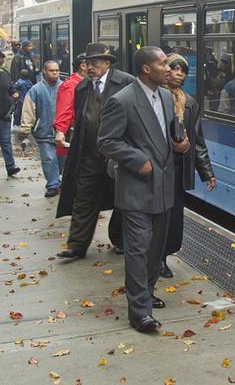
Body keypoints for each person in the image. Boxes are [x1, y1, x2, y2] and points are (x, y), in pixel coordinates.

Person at [98, 46, 188, 333]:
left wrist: (182, 144)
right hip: (137, 189)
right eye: (163, 63)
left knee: (155, 250)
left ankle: (146, 293)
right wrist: (137, 160)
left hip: (163, 188)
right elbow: (107, 141)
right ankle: (139, 312)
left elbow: (172, 134)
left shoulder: (165, 96)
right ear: (146, 69)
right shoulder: (122, 101)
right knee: (137, 250)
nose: (170, 68)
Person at [55, 43, 134, 259]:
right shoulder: (82, 88)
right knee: (83, 199)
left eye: (94, 63)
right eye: (87, 63)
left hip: (116, 155)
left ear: (107, 63)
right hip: (89, 154)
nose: (90, 67)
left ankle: (119, 240)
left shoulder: (126, 83)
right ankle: (77, 245)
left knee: (122, 201)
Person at [161, 54, 216, 278]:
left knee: (174, 215)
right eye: (174, 69)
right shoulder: (156, 97)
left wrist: (206, 173)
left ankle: (164, 255)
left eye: (182, 70)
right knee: (158, 215)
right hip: (157, 165)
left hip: (178, 167)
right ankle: (156, 258)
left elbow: (197, 141)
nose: (179, 74)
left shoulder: (190, 103)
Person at [20, 60, 64, 197]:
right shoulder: (36, 90)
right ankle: (52, 185)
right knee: (49, 159)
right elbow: (28, 110)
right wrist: (25, 129)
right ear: (44, 71)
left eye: (57, 70)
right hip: (43, 131)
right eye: (52, 70)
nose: (55, 73)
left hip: (62, 132)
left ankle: (60, 179)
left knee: (62, 159)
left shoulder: (64, 87)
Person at [54, 55, 90, 167]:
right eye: (91, 64)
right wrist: (60, 131)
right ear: (83, 66)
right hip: (76, 133)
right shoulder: (70, 85)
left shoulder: (88, 82)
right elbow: (64, 109)